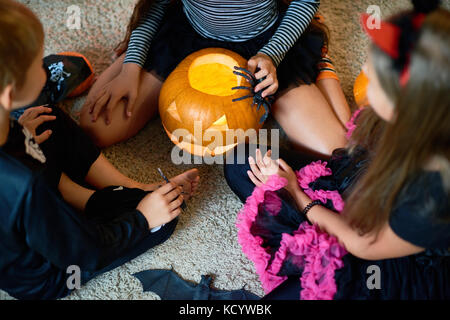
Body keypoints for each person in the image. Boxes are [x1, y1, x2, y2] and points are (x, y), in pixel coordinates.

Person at [224, 0, 450, 299]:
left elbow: (362, 244)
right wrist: (324, 69)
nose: (365, 70)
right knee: (242, 161)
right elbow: (354, 145)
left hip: (381, 261)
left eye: (374, 74)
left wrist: (296, 193)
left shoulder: (435, 191)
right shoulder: (424, 112)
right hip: (368, 188)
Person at [0, 0, 199, 300]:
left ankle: (123, 190)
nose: (43, 70)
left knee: (45, 117)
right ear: (9, 93)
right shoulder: (26, 186)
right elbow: (85, 253)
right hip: (50, 271)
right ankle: (110, 201)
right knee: (165, 220)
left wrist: (19, 137)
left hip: (31, 201)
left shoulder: (11, 135)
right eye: (37, 65)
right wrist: (143, 218)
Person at [79, 0, 351, 156]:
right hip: (187, 36)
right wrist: (131, 67)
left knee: (335, 149)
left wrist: (273, 55)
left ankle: (320, 60)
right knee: (96, 130)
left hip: (267, 44)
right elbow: (154, 5)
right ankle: (134, 51)